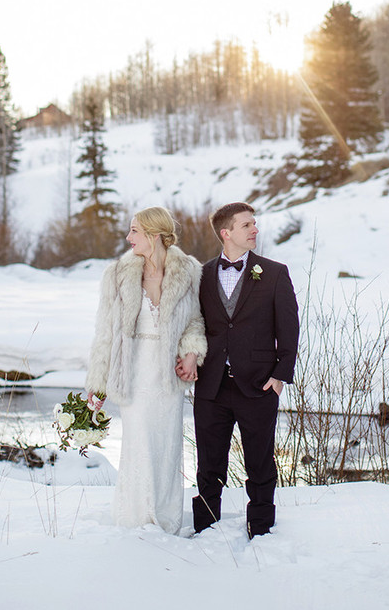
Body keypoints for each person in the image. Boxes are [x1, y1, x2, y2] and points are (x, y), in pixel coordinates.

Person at [177, 201, 299, 539]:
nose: (255, 230)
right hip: (212, 386)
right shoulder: (201, 274)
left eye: (254, 224)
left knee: (260, 463)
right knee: (208, 464)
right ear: (226, 232)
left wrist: (279, 377)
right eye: (247, 225)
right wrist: (190, 355)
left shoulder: (274, 273)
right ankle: (205, 527)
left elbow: (289, 329)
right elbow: (193, 323)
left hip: (259, 385)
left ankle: (260, 528)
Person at [86, 206, 207, 535]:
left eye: (134, 231)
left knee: (167, 444)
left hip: (168, 376)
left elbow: (195, 321)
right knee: (138, 441)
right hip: (134, 372)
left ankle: (166, 519)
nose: (128, 238)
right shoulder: (117, 274)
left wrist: (192, 354)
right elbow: (105, 332)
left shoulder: (189, 271)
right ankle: (137, 518)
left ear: (155, 236)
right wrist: (98, 383)